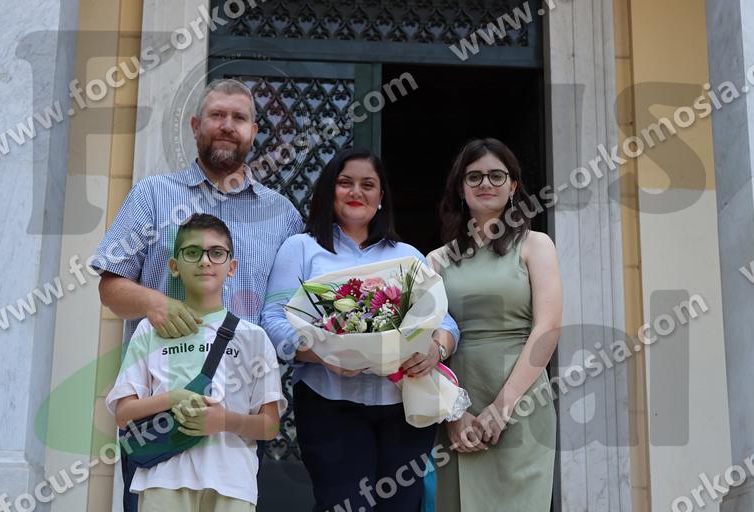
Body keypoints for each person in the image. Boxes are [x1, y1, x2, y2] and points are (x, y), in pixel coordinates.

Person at [94, 79, 302, 510]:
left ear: (253, 132)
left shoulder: (282, 215)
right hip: (159, 416)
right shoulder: (152, 196)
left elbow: (292, 309)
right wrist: (155, 302)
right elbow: (110, 288)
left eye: (238, 118)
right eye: (216, 115)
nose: (227, 125)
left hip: (237, 423)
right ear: (195, 125)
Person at [261, 147, 460, 511]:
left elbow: (444, 320)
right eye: (345, 182)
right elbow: (273, 318)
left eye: (368, 185)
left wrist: (437, 349)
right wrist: (322, 354)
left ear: (381, 197)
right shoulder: (301, 249)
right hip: (329, 404)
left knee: (403, 505)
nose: (356, 192)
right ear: (329, 191)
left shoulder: (407, 256)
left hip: (403, 406)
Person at [106, 213, 286, 512]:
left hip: (233, 482)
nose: (205, 261)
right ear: (174, 266)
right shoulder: (151, 330)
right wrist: (173, 398)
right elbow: (124, 414)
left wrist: (223, 421)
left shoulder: (254, 337)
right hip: (162, 479)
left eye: (216, 253)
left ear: (232, 267)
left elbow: (269, 425)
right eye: (192, 252)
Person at [430, 138, 561, 511]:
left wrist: (503, 408)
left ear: (513, 185)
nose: (485, 183)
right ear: (460, 188)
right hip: (458, 402)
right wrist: (453, 414)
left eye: (496, 175)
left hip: (523, 401)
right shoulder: (435, 260)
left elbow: (548, 327)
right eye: (474, 176)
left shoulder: (536, 246)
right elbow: (423, 344)